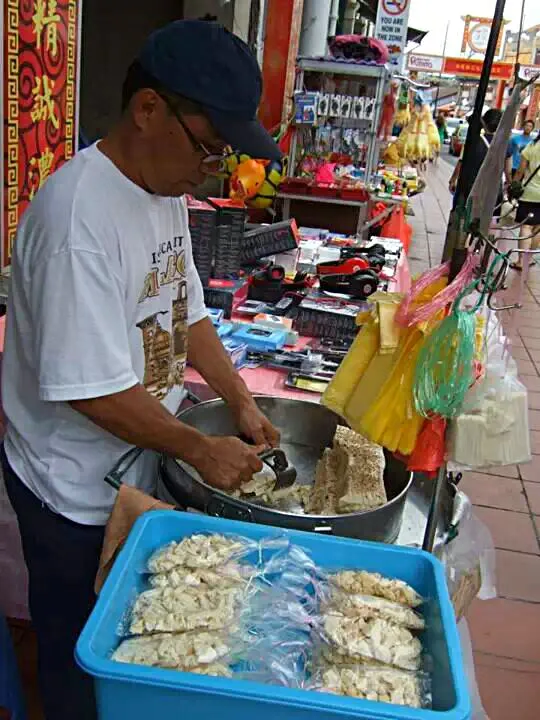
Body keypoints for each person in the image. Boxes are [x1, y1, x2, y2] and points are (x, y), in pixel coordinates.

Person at [1, 20, 283, 720]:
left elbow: (186, 312)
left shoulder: (160, 194)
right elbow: (91, 393)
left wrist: (240, 401)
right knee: (78, 648)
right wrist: (195, 445)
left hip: (133, 463)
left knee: (133, 632)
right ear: (148, 110)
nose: (213, 169)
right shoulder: (77, 221)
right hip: (66, 486)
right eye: (211, 147)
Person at [448, 108, 512, 217]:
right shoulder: (506, 145)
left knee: (466, 217)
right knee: (488, 221)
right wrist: (509, 184)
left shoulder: (473, 141)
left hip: (471, 187)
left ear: (484, 122)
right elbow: (508, 171)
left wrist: (453, 180)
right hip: (493, 190)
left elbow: (462, 162)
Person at [511, 131, 540, 271]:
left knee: (526, 227)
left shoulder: (533, 146)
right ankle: (529, 259)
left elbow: (520, 171)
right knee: (538, 228)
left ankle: (521, 261)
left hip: (530, 193)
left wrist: (514, 185)